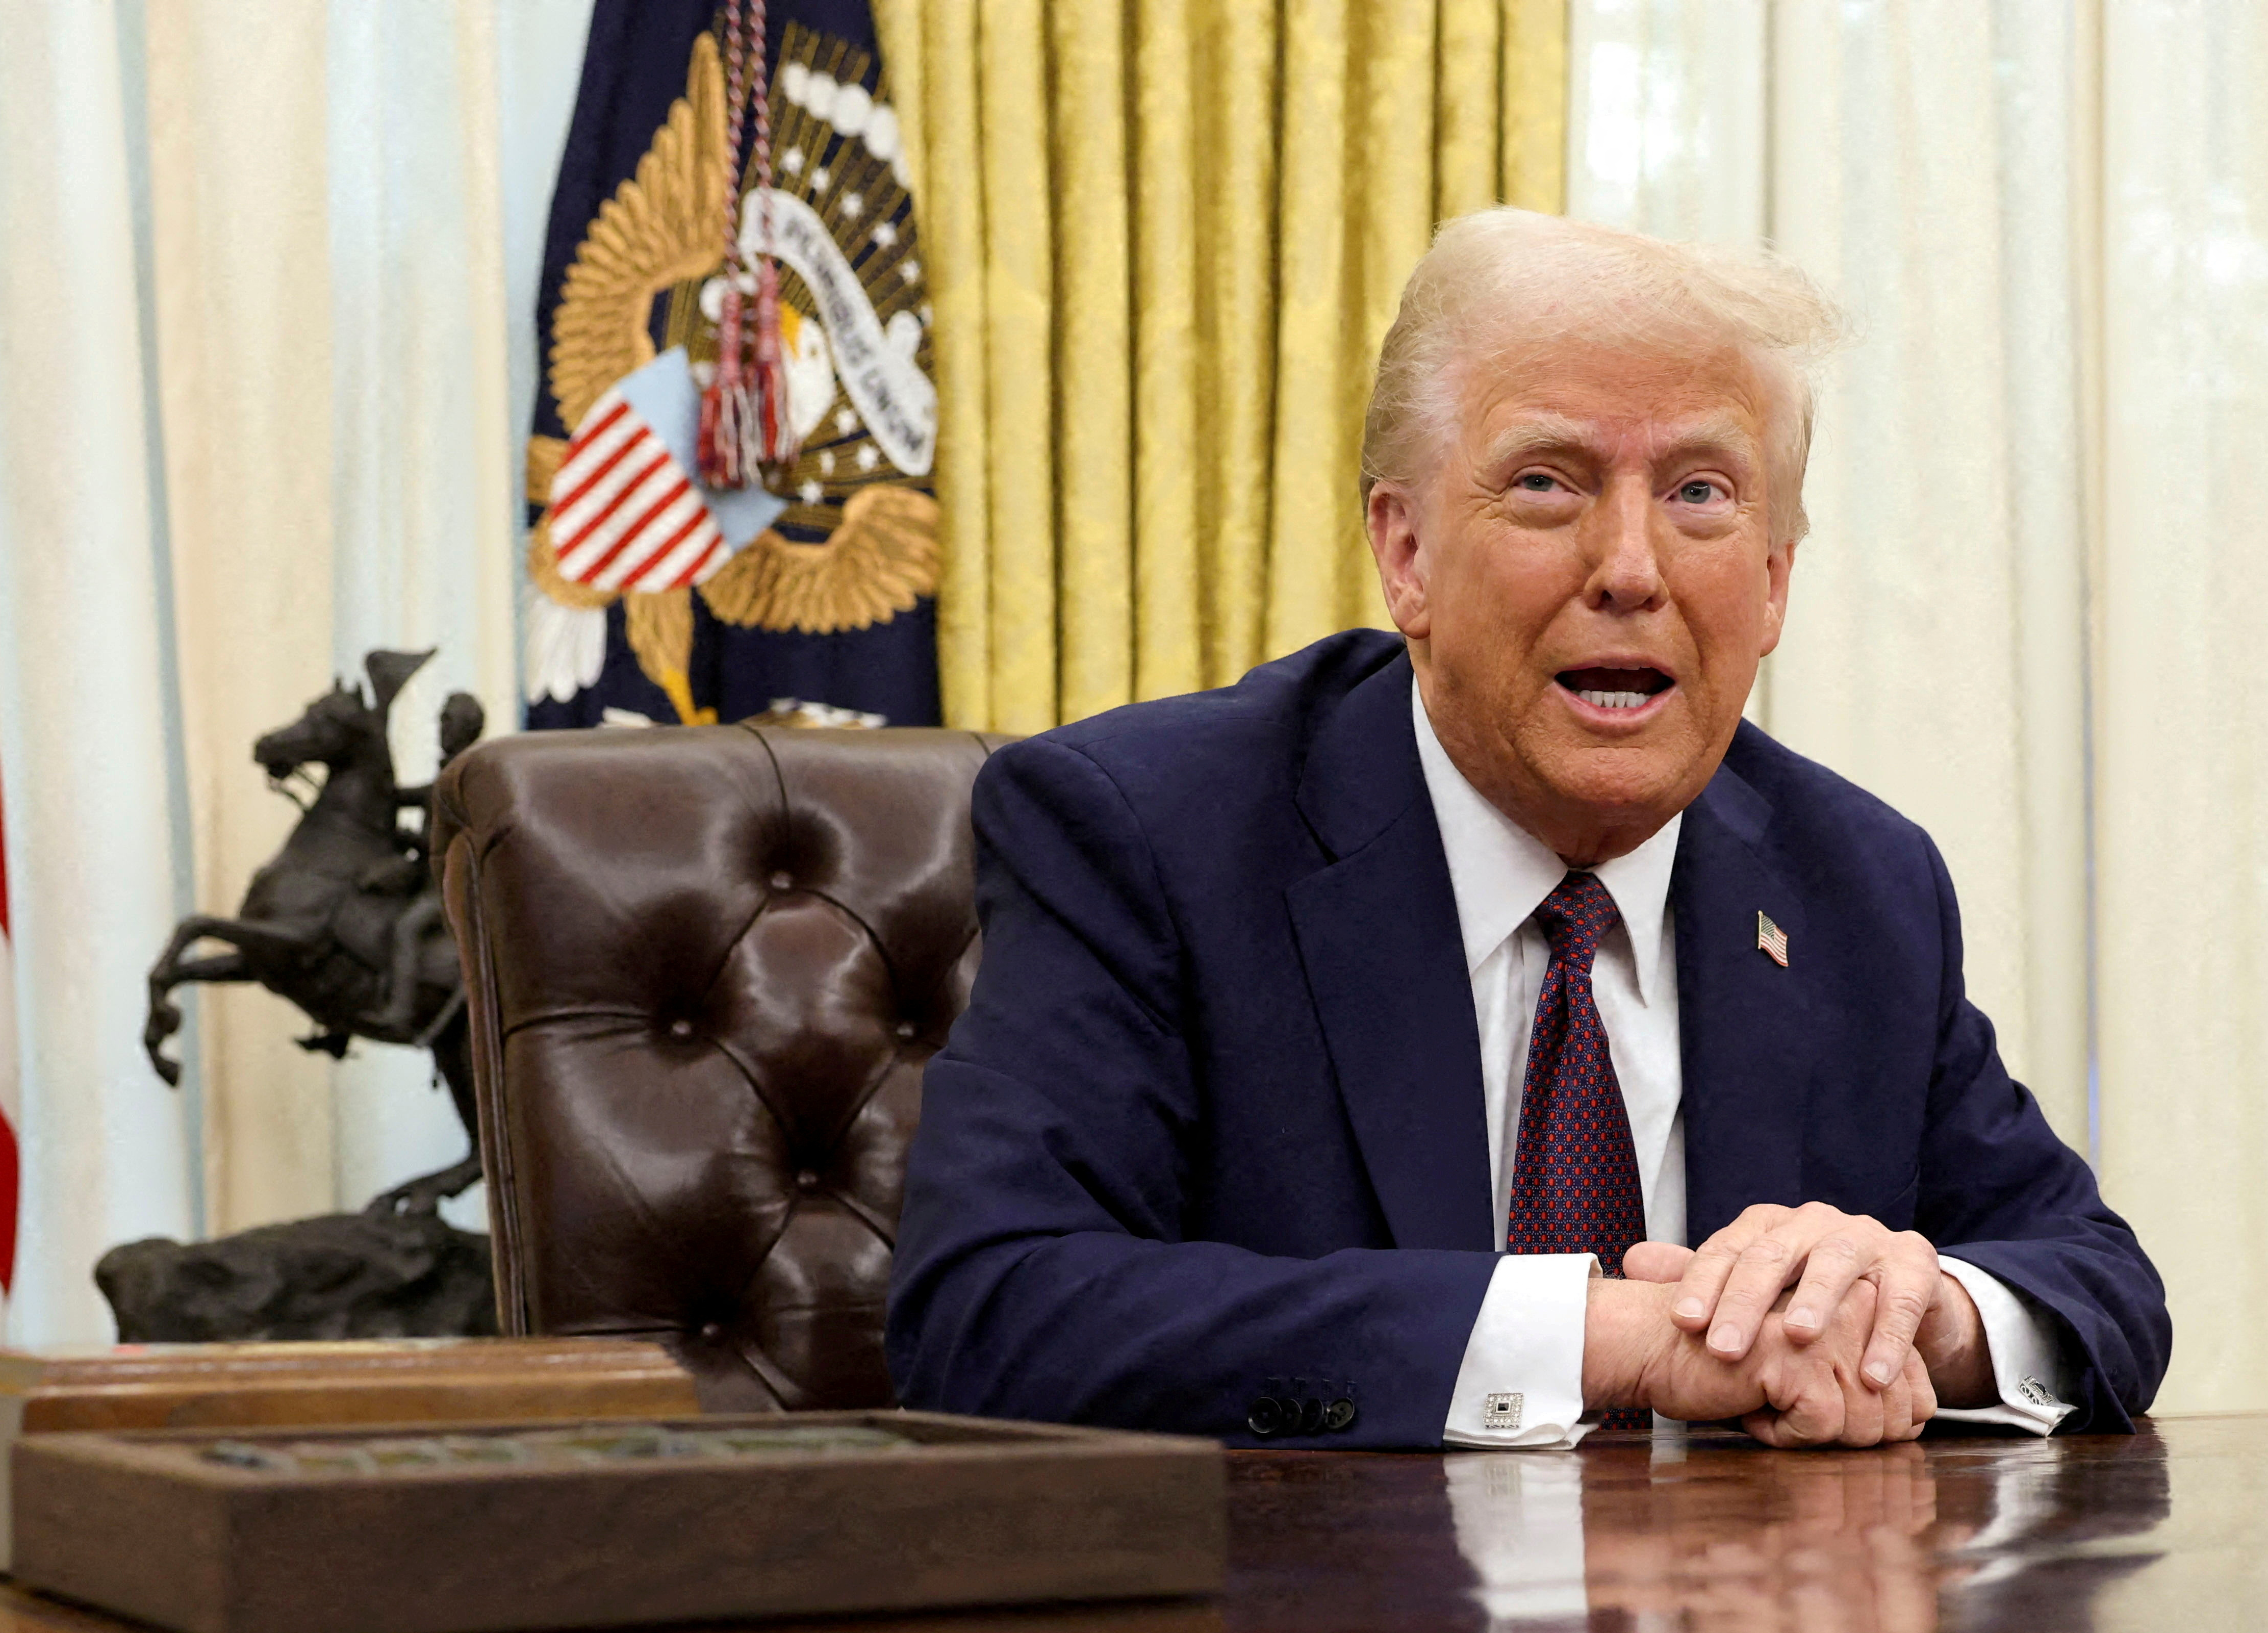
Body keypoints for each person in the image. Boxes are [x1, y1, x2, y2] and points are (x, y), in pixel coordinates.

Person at [886, 209, 2165, 1449]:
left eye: (1702, 493)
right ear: (1407, 554)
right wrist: (1610, 1337)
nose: (1630, 566)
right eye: (1548, 483)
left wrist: (1911, 1315)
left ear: (1773, 581)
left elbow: (2098, 1284)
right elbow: (993, 1314)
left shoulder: (1858, 884)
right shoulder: (1150, 834)